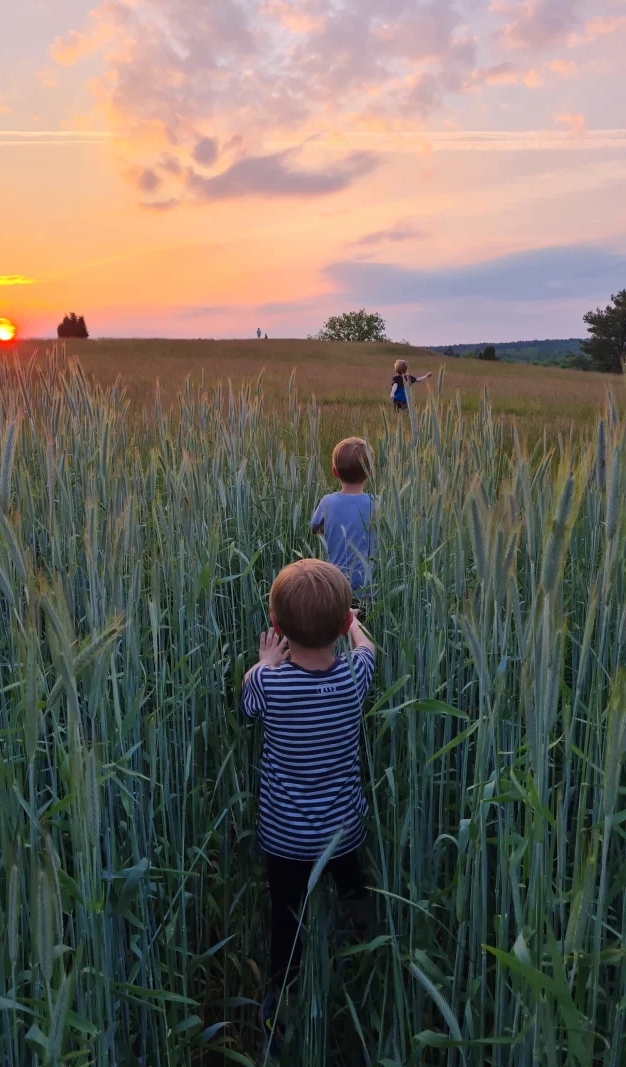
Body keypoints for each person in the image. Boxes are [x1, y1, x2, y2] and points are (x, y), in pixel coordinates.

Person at [241, 559, 375, 1060]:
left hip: (285, 837)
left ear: (276, 629)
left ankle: (281, 988)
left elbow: (246, 705)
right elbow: (368, 651)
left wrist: (264, 661)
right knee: (351, 881)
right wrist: (356, 626)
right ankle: (360, 928)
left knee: (284, 912)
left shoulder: (269, 686)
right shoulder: (354, 681)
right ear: (341, 626)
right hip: (343, 830)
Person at [311, 437, 375, 609]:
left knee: (338, 627)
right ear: (370, 473)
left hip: (335, 583)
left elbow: (315, 528)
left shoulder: (327, 501)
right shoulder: (377, 503)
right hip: (367, 584)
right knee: (362, 628)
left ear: (334, 471)